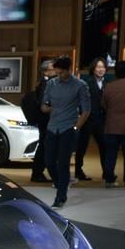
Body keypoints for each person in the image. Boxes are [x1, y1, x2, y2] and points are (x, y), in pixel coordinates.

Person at [40, 56, 91, 208]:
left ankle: (60, 196)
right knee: (49, 161)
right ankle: (61, 184)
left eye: (61, 72)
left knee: (63, 162)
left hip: (68, 128)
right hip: (52, 126)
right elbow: (44, 105)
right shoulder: (51, 83)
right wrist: (47, 108)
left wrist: (76, 127)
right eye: (57, 73)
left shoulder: (80, 85)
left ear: (69, 69)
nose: (59, 75)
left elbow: (86, 110)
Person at [101, 60, 125, 189]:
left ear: (115, 72)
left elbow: (103, 104)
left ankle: (109, 180)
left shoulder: (109, 86)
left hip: (111, 125)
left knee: (110, 154)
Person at [75, 57, 108, 181]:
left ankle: (106, 172)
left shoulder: (107, 83)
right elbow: (80, 99)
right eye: (98, 67)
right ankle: (78, 171)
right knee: (82, 146)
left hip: (101, 120)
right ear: (93, 69)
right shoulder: (86, 83)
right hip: (87, 119)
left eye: (103, 67)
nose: (101, 69)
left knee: (104, 146)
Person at [23, 59, 55, 183]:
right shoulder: (45, 84)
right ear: (45, 72)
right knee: (44, 146)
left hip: (46, 120)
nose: (56, 71)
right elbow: (44, 103)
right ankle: (37, 173)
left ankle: (39, 172)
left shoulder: (46, 83)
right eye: (53, 69)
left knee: (45, 146)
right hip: (45, 120)